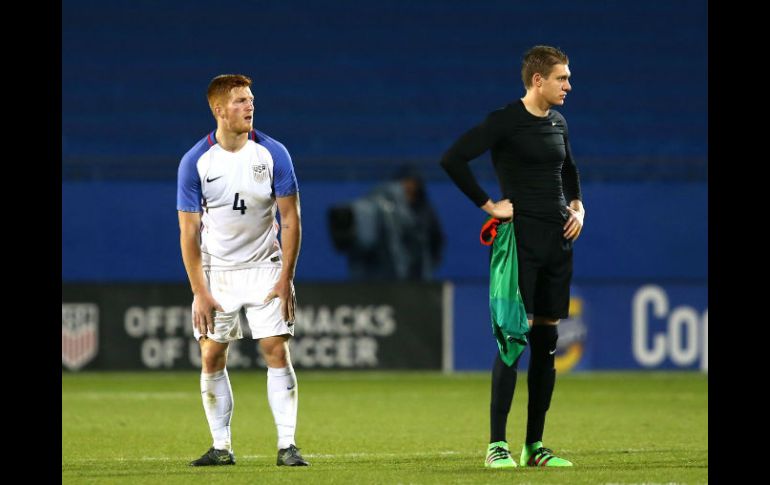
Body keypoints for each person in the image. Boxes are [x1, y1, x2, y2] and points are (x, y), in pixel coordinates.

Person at [440, 45, 585, 469]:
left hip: (557, 243)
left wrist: (578, 206)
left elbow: (570, 170)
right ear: (538, 80)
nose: (568, 85)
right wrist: (489, 205)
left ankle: (534, 446)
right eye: (562, 78)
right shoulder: (505, 121)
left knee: (546, 342)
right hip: (519, 243)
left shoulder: (558, 122)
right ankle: (497, 445)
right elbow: (453, 159)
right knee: (511, 340)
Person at [177, 74, 309, 467]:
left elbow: (291, 218)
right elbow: (188, 231)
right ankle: (221, 447)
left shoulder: (273, 154)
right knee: (212, 355)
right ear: (218, 110)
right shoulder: (195, 162)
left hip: (264, 267)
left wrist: (286, 278)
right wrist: (200, 291)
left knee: (275, 349)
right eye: (239, 101)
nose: (249, 106)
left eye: (250, 99)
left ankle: (287, 446)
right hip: (218, 270)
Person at [327, 166, 444, 280]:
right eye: (405, 185)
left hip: (415, 276)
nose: (408, 188)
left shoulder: (425, 210)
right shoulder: (383, 207)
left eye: (413, 185)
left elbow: (435, 239)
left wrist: (427, 265)